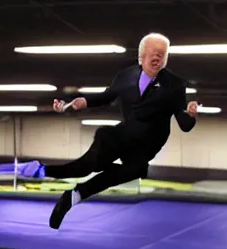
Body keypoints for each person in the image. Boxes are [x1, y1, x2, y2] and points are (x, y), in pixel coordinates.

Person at [46, 32, 199, 229]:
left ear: (166, 59)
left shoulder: (175, 85)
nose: (157, 58)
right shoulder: (125, 77)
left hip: (147, 145)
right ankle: (44, 170)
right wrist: (81, 101)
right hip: (124, 135)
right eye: (153, 53)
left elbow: (185, 124)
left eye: (162, 55)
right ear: (142, 55)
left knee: (134, 170)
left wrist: (191, 115)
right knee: (91, 161)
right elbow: (106, 96)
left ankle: (73, 196)